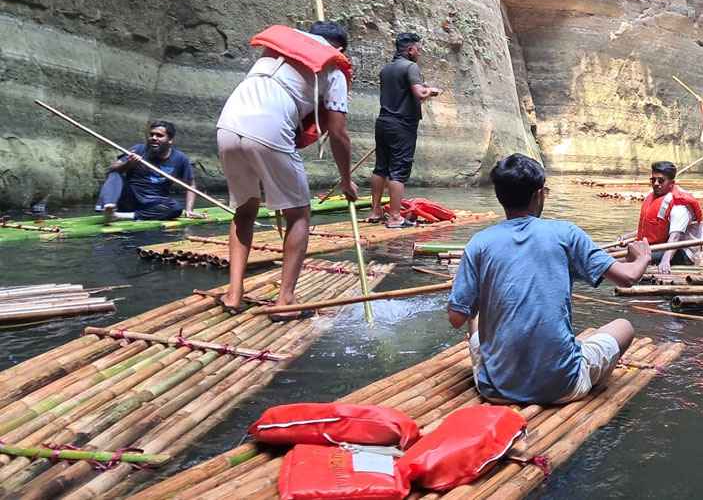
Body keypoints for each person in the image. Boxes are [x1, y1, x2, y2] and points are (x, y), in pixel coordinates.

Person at [447, 154, 651, 405]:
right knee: (623, 327)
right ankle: (590, 381)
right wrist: (641, 256)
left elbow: (457, 317)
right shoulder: (565, 233)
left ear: (499, 196)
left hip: (495, 389)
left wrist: (474, 288)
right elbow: (628, 278)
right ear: (539, 194)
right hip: (562, 387)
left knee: (475, 316)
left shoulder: (479, 243)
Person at [215, 21, 359, 321]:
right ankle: (285, 301)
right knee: (299, 215)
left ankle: (233, 294)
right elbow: (338, 133)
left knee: (244, 209)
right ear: (340, 48)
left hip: (228, 123)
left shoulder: (274, 51)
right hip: (268, 127)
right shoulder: (334, 69)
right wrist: (346, 180)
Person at [367, 32, 442, 227]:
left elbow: (400, 91)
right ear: (410, 50)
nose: (420, 52)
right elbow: (419, 93)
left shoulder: (386, 69)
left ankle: (375, 211)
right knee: (398, 171)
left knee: (381, 167)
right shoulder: (411, 67)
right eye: (418, 48)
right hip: (402, 125)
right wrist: (431, 91)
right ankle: (394, 217)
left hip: (383, 122)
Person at [94, 120, 200, 222]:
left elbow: (190, 185)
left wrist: (189, 210)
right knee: (115, 173)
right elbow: (111, 169)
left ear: (170, 140)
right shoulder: (138, 149)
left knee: (176, 209)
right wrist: (129, 164)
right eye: (151, 134)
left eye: (159, 135)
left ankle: (119, 216)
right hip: (130, 198)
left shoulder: (180, 158)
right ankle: (108, 208)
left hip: (154, 202)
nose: (154, 138)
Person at [628, 161, 703, 275]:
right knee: (615, 251)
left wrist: (665, 260)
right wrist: (626, 237)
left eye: (661, 180)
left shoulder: (680, 206)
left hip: (682, 252)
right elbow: (653, 226)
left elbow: (675, 237)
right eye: (653, 180)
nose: (656, 183)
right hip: (661, 246)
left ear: (671, 183)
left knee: (630, 257)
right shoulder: (656, 195)